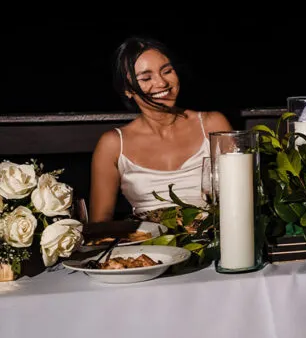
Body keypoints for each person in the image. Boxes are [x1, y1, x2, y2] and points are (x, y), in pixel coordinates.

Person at [90, 37, 233, 222]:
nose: (161, 83)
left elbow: (242, 196)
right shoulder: (114, 144)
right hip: (148, 247)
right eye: (146, 78)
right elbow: (99, 223)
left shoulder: (213, 125)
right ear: (127, 90)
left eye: (167, 71)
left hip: (212, 242)